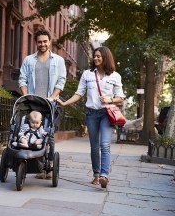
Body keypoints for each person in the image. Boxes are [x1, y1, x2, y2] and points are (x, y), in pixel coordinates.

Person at [56, 46, 126, 188]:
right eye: (94, 56)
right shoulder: (87, 74)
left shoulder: (115, 76)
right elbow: (79, 93)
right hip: (91, 114)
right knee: (94, 146)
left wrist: (109, 100)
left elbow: (120, 98)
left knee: (104, 144)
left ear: (106, 57)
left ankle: (104, 175)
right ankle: (96, 174)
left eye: (99, 56)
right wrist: (64, 103)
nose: (96, 58)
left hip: (106, 114)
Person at [18, 28, 67, 178]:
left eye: (45, 41)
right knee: (26, 130)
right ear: (36, 43)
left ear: (50, 42)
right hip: (32, 103)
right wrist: (26, 96)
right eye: (39, 42)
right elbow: (22, 79)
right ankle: (34, 162)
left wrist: (52, 97)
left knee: (48, 135)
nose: (42, 44)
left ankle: (49, 164)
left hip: (49, 104)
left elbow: (61, 81)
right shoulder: (29, 60)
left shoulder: (58, 60)